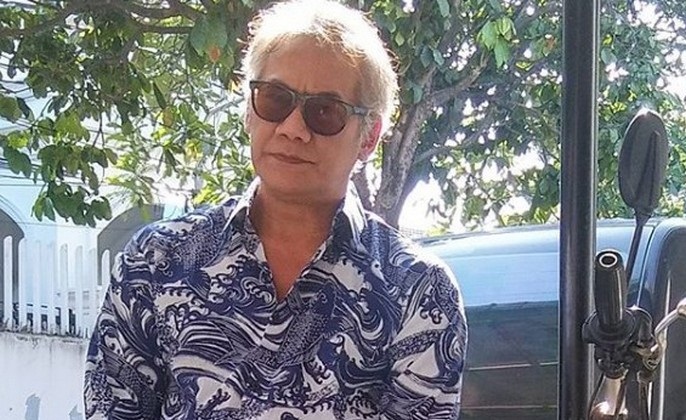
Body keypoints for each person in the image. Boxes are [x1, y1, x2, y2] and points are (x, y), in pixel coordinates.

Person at [84, 0, 467, 418]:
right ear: (248, 110)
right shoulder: (157, 261)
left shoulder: (416, 290)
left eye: (325, 111)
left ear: (369, 136)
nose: (293, 128)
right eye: (275, 98)